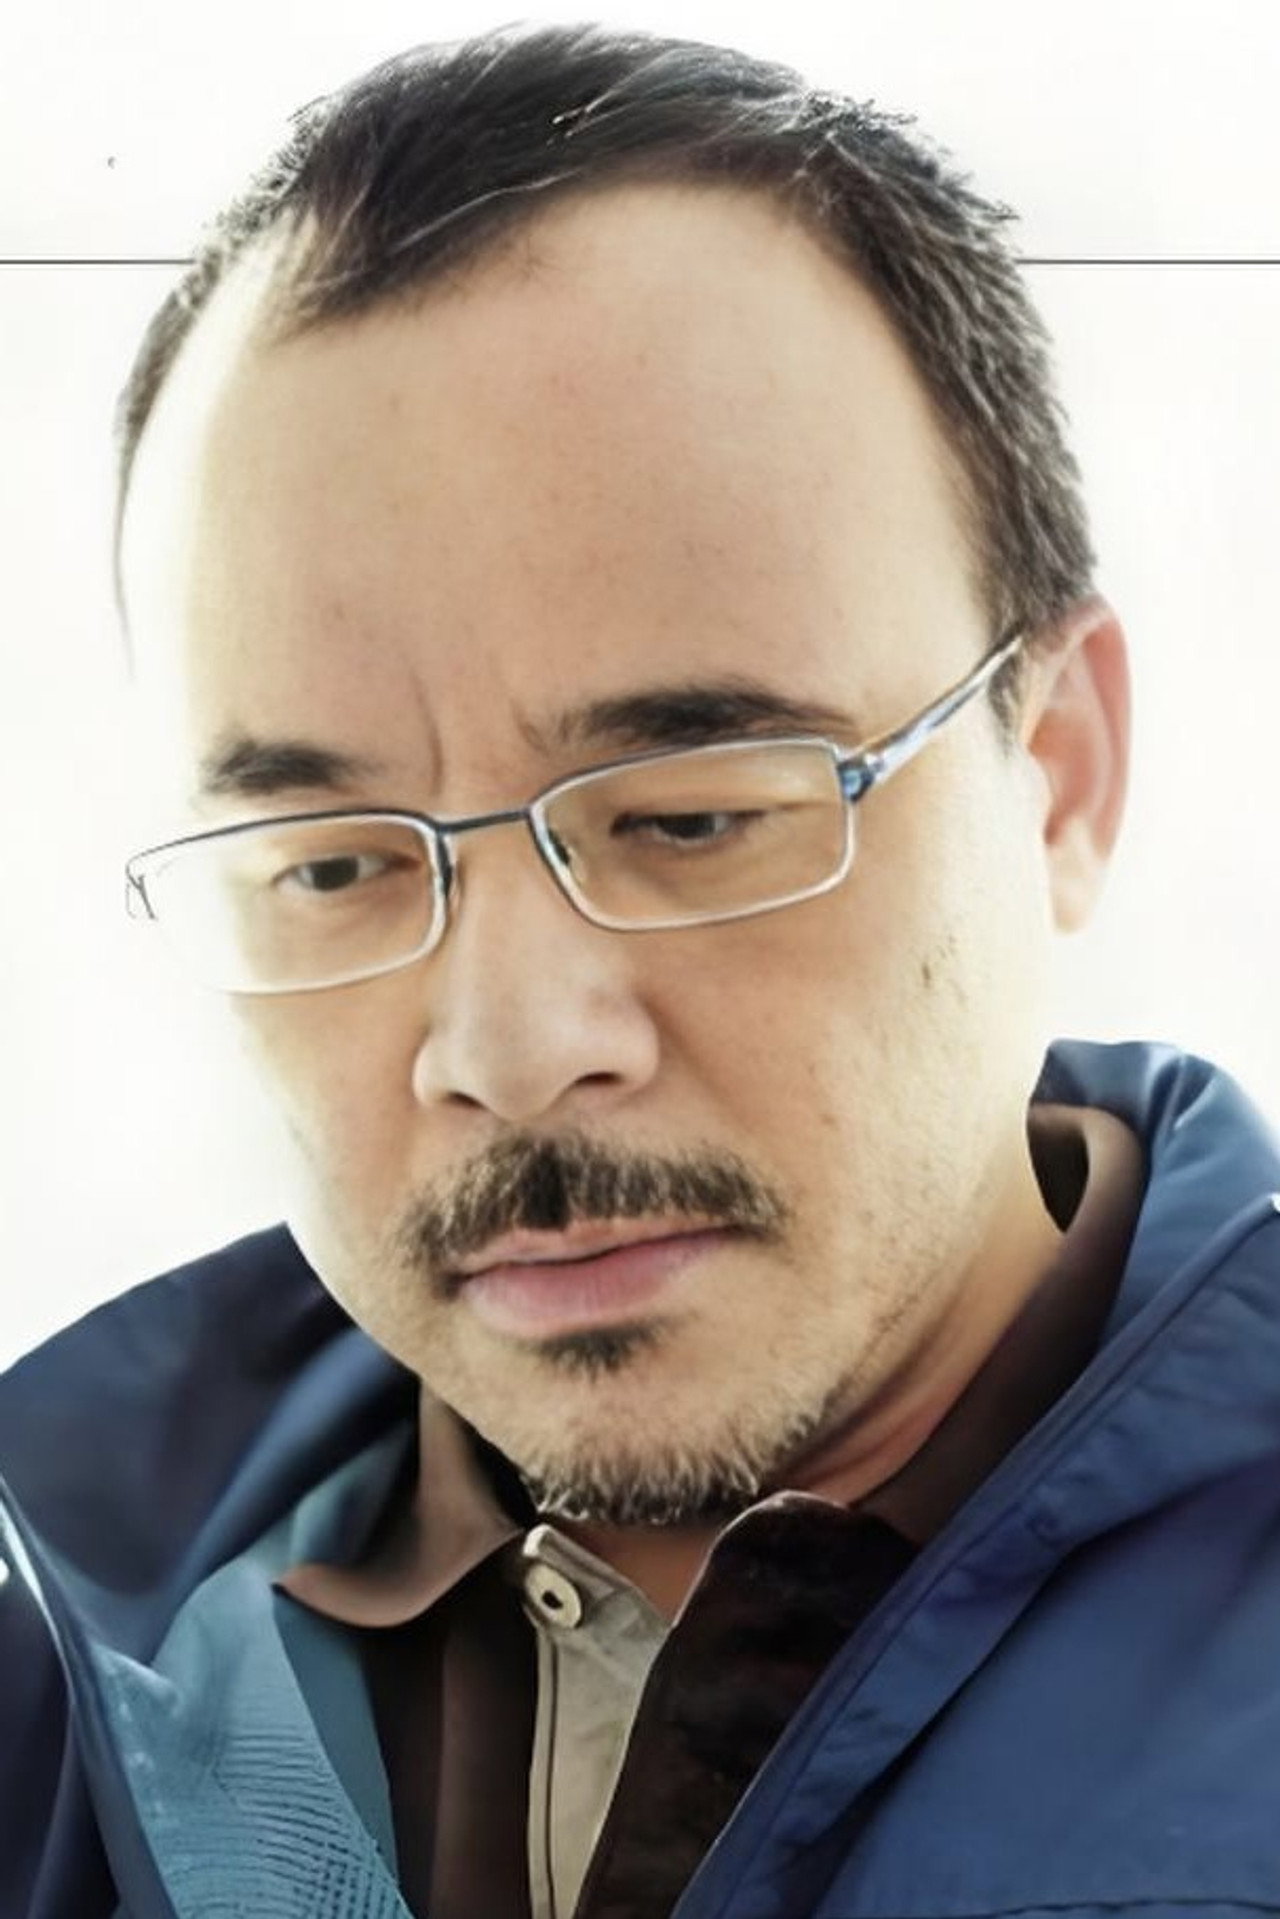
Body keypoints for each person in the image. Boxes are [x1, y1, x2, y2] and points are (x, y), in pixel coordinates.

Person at [2, 21, 1278, 1918]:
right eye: (333, 867)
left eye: (687, 819)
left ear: (1061, 772)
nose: (511, 1046)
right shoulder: (58, 1673)